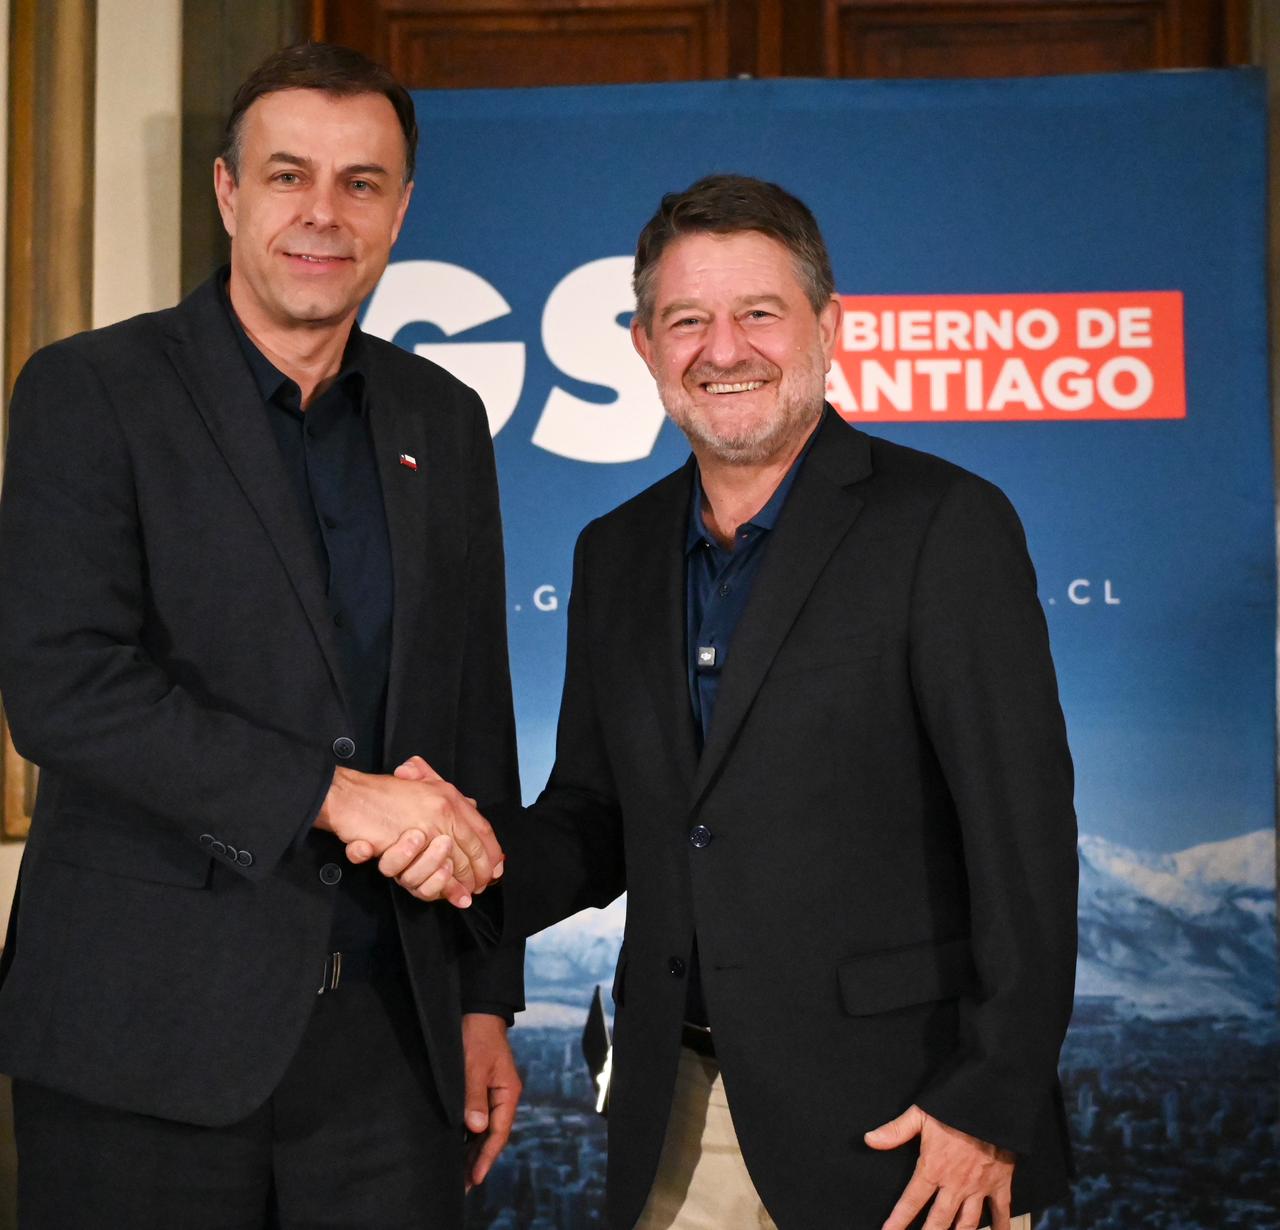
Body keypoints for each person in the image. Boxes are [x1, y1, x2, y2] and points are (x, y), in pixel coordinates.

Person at [381, 173, 1078, 1230]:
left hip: (907, 1131)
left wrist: (987, 1105)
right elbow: (597, 818)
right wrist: (459, 855)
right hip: (676, 1123)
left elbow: (1023, 840)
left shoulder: (944, 524)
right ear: (643, 346)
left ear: (826, 329)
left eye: (758, 313)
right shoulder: (613, 551)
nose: (723, 349)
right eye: (686, 320)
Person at [0, 42, 522, 1230]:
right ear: (228, 193)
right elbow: (64, 687)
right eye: (289, 176)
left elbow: (471, 716)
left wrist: (483, 997)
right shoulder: (90, 390)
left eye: (360, 182)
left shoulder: (443, 417)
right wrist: (332, 796)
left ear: (399, 210)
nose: (322, 214)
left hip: (392, 1054)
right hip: (144, 1041)